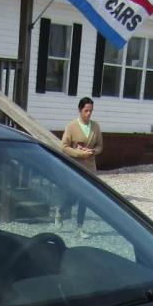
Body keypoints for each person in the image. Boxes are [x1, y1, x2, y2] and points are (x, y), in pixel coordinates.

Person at [57, 97, 102, 236]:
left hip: (90, 168)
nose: (88, 114)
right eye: (86, 111)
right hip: (76, 167)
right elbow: (64, 146)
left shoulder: (95, 126)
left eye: (91, 111)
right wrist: (79, 153)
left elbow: (100, 146)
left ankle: (79, 228)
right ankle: (61, 211)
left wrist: (93, 151)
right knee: (74, 196)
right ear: (80, 110)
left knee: (85, 198)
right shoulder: (71, 126)